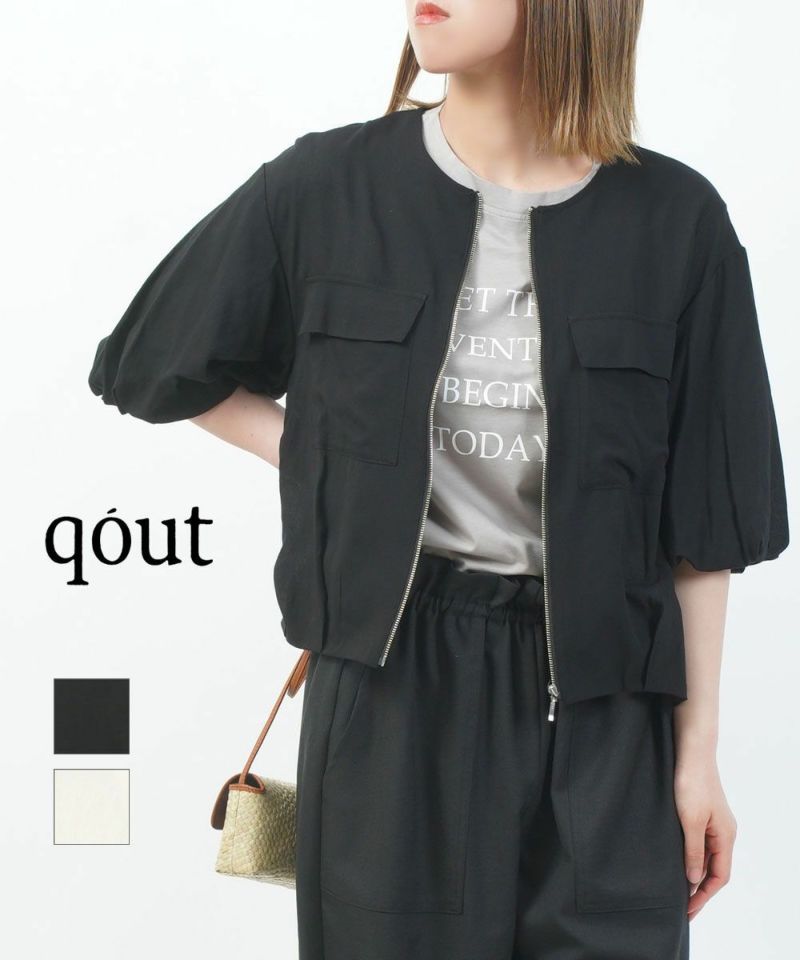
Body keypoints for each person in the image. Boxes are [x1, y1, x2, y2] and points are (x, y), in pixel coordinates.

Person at [87, 1, 790, 957]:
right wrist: (329, 456)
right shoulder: (330, 186)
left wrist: (696, 756)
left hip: (610, 712)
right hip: (393, 697)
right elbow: (151, 363)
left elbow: (705, 524)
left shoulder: (677, 221)